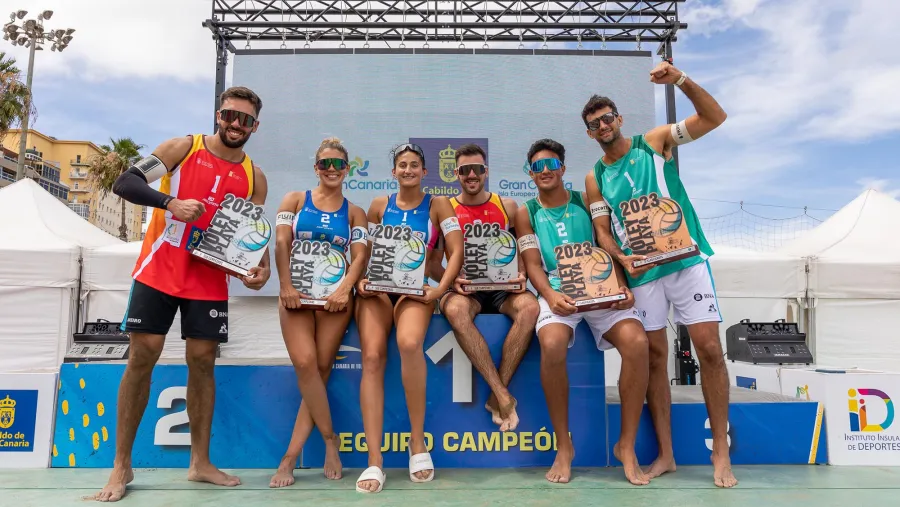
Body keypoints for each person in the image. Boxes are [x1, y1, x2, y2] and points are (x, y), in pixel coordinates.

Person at [96, 86, 271, 502]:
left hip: (209, 278)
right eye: (229, 115)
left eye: (244, 120)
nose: (235, 124)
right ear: (218, 114)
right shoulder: (183, 147)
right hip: (160, 268)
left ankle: (200, 463)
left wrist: (256, 270)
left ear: (255, 127)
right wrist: (170, 202)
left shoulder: (254, 177)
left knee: (203, 362)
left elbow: (249, 243)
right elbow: (126, 182)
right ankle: (121, 466)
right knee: (143, 356)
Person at [580, 60, 735, 487]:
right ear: (590, 133)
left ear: (619, 119)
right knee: (653, 358)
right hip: (644, 274)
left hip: (686, 262)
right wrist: (621, 259)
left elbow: (714, 118)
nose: (603, 126)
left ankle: (720, 451)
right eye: (594, 124)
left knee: (708, 350)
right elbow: (602, 231)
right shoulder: (595, 178)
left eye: (607, 118)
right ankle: (666, 454)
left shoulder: (654, 142)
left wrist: (681, 80)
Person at [515, 138, 650, 486]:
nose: (544, 171)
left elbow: (607, 242)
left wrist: (621, 285)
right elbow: (532, 264)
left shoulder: (586, 201)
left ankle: (627, 445)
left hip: (601, 290)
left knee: (637, 343)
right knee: (552, 343)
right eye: (537, 166)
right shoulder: (525, 211)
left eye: (551, 164)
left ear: (562, 168)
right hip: (559, 293)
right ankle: (564, 445)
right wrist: (549, 295)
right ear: (530, 174)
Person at [353, 143, 463, 493]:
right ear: (394, 172)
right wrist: (360, 282)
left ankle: (417, 443)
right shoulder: (378, 206)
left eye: (414, 165)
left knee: (409, 342)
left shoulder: (437, 204)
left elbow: (456, 248)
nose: (408, 170)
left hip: (416, 292)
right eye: (402, 165)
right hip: (378, 290)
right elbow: (364, 252)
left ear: (424, 171)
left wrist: (439, 288)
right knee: (371, 356)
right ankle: (375, 460)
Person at [268, 137, 369, 487]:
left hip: (334, 302)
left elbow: (359, 256)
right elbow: (281, 242)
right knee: (306, 365)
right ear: (316, 167)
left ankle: (290, 458)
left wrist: (345, 289)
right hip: (295, 296)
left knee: (320, 371)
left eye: (338, 164)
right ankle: (329, 440)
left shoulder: (355, 212)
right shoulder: (295, 199)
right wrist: (284, 285)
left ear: (347, 170)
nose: (331, 169)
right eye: (325, 163)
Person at [431, 143, 539, 432]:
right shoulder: (446, 208)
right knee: (454, 309)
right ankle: (503, 395)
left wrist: (522, 274)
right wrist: (452, 280)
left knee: (530, 307)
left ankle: (497, 394)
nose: (471, 175)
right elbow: (431, 263)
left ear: (486, 171)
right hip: (468, 290)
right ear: (456, 174)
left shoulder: (507, 206)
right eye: (464, 170)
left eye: (476, 169)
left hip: (503, 288)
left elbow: (523, 250)